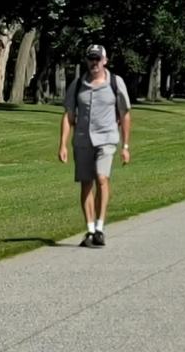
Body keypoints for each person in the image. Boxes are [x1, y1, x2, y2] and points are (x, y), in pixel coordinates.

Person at [59, 45, 131, 248]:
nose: (94, 63)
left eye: (97, 59)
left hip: (107, 139)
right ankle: (90, 230)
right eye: (91, 59)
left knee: (102, 178)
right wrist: (63, 144)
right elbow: (68, 115)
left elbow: (125, 115)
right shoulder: (78, 84)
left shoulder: (115, 83)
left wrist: (125, 146)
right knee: (86, 183)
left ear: (105, 61)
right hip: (83, 140)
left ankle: (100, 227)